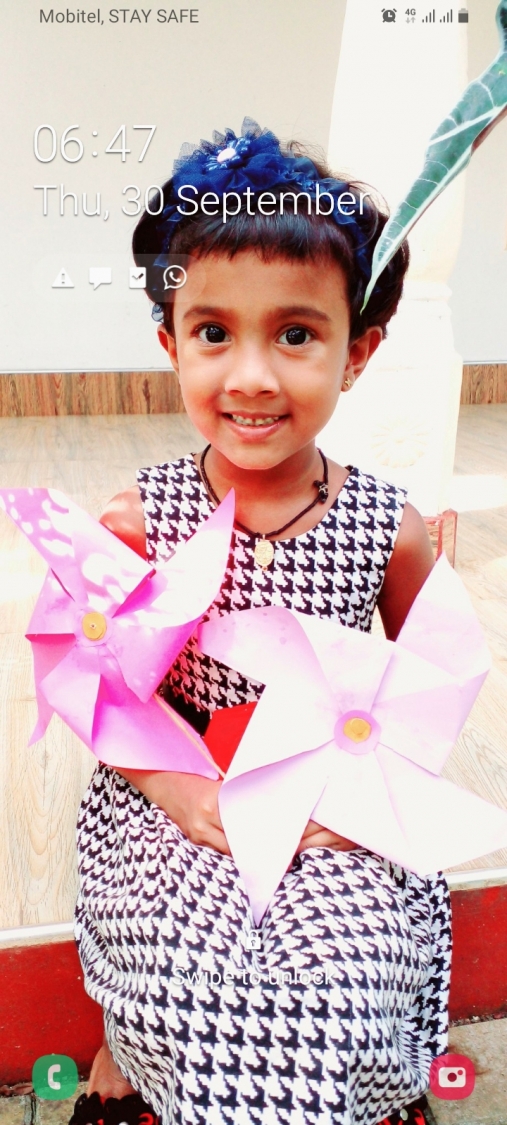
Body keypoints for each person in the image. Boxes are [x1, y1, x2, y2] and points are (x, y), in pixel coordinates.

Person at [70, 120, 451, 1125]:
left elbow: (429, 683)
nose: (250, 375)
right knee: (177, 969)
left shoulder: (389, 528)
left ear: (356, 353)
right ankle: (132, 1038)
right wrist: (177, 790)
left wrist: (364, 801)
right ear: (169, 342)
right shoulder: (140, 521)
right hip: (176, 790)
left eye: (295, 334)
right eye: (212, 334)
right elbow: (95, 682)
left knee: (344, 975)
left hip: (329, 794)